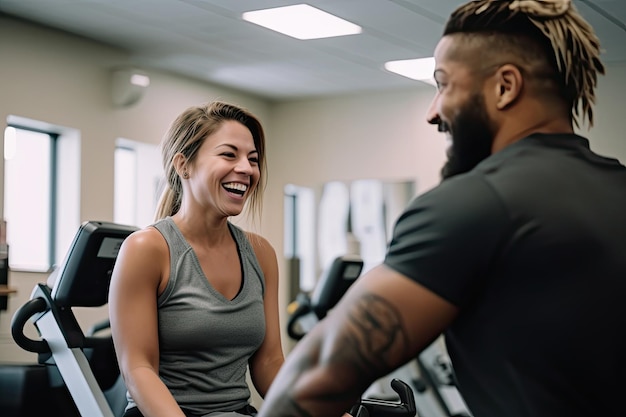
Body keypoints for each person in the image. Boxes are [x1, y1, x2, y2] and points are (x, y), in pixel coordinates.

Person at [258, 1, 626, 416]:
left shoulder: (475, 202)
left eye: (443, 84)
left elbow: (310, 385)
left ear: (505, 86)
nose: (433, 111)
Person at [109, 101, 284, 417]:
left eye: (253, 159)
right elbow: (138, 368)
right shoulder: (148, 249)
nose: (246, 168)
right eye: (229, 155)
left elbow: (270, 363)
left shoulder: (260, 253)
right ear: (183, 165)